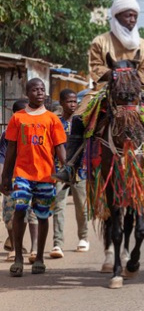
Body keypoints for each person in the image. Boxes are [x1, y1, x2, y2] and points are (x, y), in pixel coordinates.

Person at [53, 0, 144, 186]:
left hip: (136, 92)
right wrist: (114, 77)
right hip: (104, 90)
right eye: (128, 15)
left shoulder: (142, 44)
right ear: (117, 16)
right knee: (79, 117)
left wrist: (132, 83)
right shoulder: (100, 41)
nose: (132, 20)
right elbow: (95, 67)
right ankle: (70, 166)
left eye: (135, 16)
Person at [0, 79, 67, 277]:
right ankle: (19, 257)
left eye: (42, 90)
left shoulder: (52, 119)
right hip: (22, 174)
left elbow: (60, 148)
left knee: (42, 215)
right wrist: (5, 177)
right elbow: (11, 149)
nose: (40, 92)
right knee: (19, 209)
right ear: (27, 93)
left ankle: (39, 257)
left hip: (46, 175)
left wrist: (68, 168)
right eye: (35, 89)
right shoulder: (18, 118)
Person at [50, 89, 89, 258]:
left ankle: (83, 238)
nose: (72, 105)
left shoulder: (81, 122)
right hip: (60, 170)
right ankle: (57, 243)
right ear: (61, 103)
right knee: (58, 207)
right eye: (69, 101)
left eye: (75, 101)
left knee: (82, 206)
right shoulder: (56, 122)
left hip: (79, 171)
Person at [1, 99, 38, 263]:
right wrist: (3, 178)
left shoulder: (36, 130)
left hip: (33, 176)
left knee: (33, 213)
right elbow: (3, 157)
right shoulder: (7, 134)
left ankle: (34, 248)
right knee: (10, 213)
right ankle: (15, 247)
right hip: (14, 177)